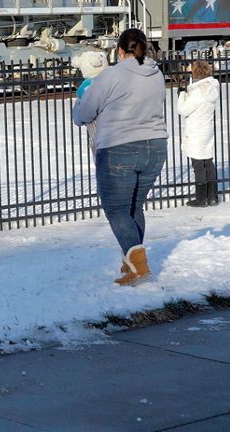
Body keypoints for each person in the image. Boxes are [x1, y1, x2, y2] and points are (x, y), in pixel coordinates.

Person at [71, 28, 168, 286]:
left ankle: (139, 268)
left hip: (118, 148)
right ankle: (131, 264)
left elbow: (84, 113)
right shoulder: (156, 73)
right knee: (134, 206)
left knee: (116, 208)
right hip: (155, 147)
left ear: (120, 51)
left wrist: (78, 105)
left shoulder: (111, 75)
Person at [177, 60, 220, 207]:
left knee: (198, 164)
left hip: (196, 131)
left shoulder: (198, 92)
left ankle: (201, 199)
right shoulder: (212, 87)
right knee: (208, 161)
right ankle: (213, 196)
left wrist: (182, 94)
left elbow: (182, 110)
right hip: (206, 129)